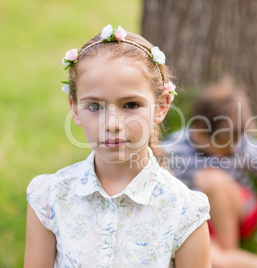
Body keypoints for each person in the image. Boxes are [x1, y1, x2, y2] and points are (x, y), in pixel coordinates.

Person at [24, 24, 211, 267]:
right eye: (94, 106)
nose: (112, 124)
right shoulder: (49, 198)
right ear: (74, 108)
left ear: (162, 105)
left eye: (131, 105)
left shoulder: (185, 212)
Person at [162, 78, 257, 268]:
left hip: (241, 211)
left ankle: (230, 251)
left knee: (211, 179)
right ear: (200, 129)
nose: (231, 147)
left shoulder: (240, 145)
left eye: (234, 140)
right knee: (206, 257)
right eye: (224, 142)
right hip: (202, 219)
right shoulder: (173, 150)